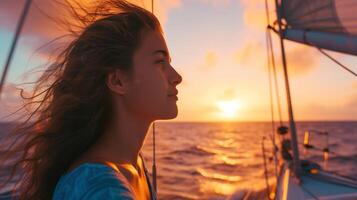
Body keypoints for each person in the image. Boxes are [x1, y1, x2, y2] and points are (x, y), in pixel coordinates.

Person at [3, 0, 182, 199]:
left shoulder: (134, 163)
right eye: (159, 62)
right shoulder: (101, 188)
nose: (176, 77)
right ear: (117, 81)